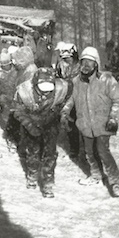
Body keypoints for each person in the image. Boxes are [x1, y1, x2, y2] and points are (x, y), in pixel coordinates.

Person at [61, 46, 119, 197]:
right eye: (84, 62)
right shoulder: (76, 81)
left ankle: (116, 182)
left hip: (103, 124)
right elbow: (70, 99)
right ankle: (96, 175)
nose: (86, 66)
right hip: (85, 124)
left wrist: (113, 117)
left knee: (103, 151)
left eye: (90, 63)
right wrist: (64, 112)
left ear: (96, 64)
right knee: (89, 152)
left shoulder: (107, 79)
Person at [13, 67, 72, 198]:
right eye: (42, 88)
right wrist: (29, 125)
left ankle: (48, 184)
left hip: (50, 122)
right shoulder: (24, 92)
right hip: (32, 121)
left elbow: (68, 100)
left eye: (49, 89)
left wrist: (64, 114)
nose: (45, 93)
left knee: (50, 154)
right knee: (33, 152)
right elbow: (18, 111)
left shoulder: (62, 88)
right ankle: (32, 175)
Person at [54, 42, 82, 161]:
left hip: (80, 99)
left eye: (69, 58)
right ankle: (74, 150)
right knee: (70, 125)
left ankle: (86, 150)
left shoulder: (81, 66)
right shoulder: (60, 65)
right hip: (67, 98)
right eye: (65, 58)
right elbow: (58, 79)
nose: (67, 61)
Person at [0, 49, 19, 152]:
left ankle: (18, 139)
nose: (5, 67)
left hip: (16, 99)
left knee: (17, 120)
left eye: (7, 65)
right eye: (3, 65)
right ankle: (11, 140)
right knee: (8, 121)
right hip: (5, 99)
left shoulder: (16, 71)